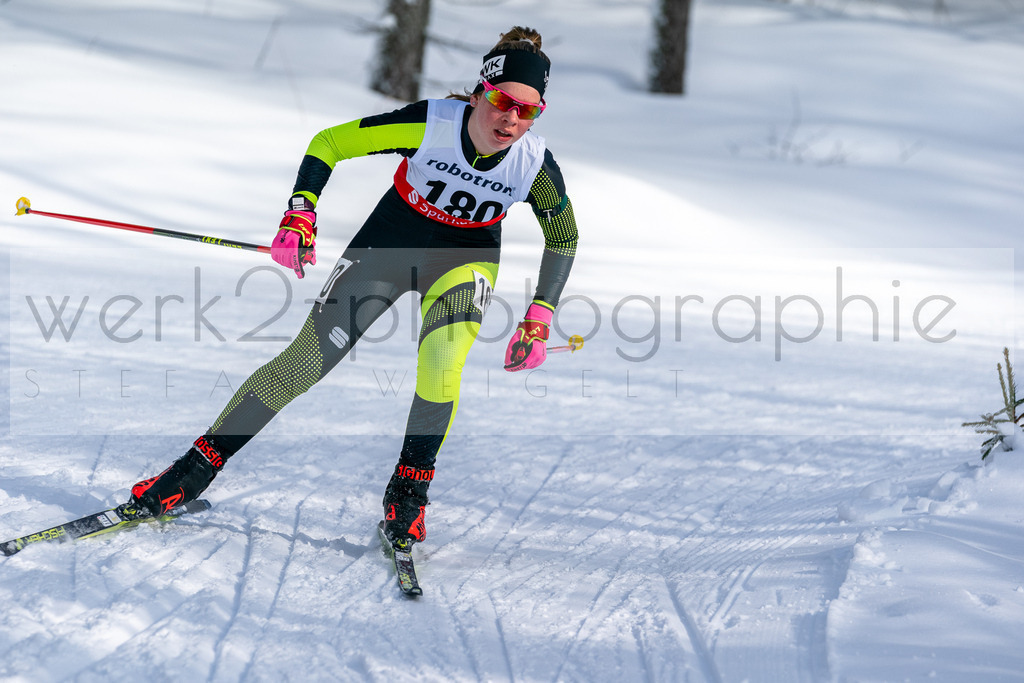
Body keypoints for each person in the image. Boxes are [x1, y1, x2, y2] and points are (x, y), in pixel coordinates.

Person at [125, 26, 579, 550]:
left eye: (528, 111)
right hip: (389, 245)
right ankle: (192, 472)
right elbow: (330, 143)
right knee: (305, 363)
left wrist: (540, 315)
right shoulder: (429, 123)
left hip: (464, 259)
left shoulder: (534, 165)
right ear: (480, 92)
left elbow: (563, 235)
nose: (511, 119)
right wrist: (300, 212)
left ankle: (407, 500)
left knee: (441, 363)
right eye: (503, 102)